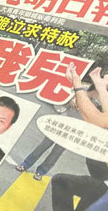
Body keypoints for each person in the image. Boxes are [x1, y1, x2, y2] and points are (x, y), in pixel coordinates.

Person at [50, 64, 108, 211]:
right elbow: (102, 118)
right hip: (102, 180)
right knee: (61, 181)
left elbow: (99, 119)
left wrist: (77, 84)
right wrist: (99, 87)